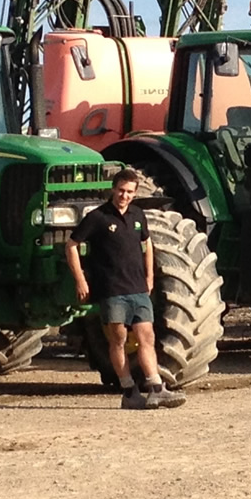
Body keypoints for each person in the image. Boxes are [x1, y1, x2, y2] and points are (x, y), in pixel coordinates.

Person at [67, 168, 187, 409]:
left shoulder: (137, 215)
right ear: (113, 189)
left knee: (147, 337)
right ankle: (128, 390)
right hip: (111, 290)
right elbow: (71, 244)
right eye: (121, 190)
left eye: (129, 192)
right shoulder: (98, 217)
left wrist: (150, 276)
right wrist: (80, 279)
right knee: (119, 340)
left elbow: (147, 243)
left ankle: (156, 388)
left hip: (138, 289)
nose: (124, 196)